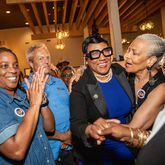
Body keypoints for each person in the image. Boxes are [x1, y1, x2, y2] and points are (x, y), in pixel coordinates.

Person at [70, 35, 135, 164]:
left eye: (106, 51)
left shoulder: (120, 71)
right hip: (103, 151)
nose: (102, 57)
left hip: (131, 142)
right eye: (95, 53)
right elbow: (76, 124)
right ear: (86, 59)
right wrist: (89, 129)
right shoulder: (80, 87)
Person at [0, 47, 55, 164]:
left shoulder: (23, 94)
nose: (13, 70)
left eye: (15, 65)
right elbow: (16, 151)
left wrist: (42, 100)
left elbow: (50, 128)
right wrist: (34, 105)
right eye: (4, 66)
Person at [24, 43, 74, 165]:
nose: (46, 61)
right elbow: (30, 127)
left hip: (70, 147)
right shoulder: (26, 88)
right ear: (31, 63)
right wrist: (62, 136)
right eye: (41, 58)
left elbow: (70, 110)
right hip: (48, 153)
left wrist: (71, 134)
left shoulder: (59, 82)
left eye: (48, 57)